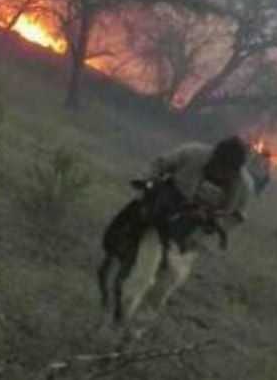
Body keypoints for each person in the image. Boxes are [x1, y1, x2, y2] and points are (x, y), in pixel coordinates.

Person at [98, 135, 255, 323]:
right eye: (219, 165)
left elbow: (236, 216)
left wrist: (212, 223)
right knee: (144, 274)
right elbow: (160, 164)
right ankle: (121, 318)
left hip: (192, 235)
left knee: (166, 284)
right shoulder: (192, 154)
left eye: (227, 170)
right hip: (162, 221)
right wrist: (149, 189)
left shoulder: (243, 186)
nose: (221, 172)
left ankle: (135, 331)